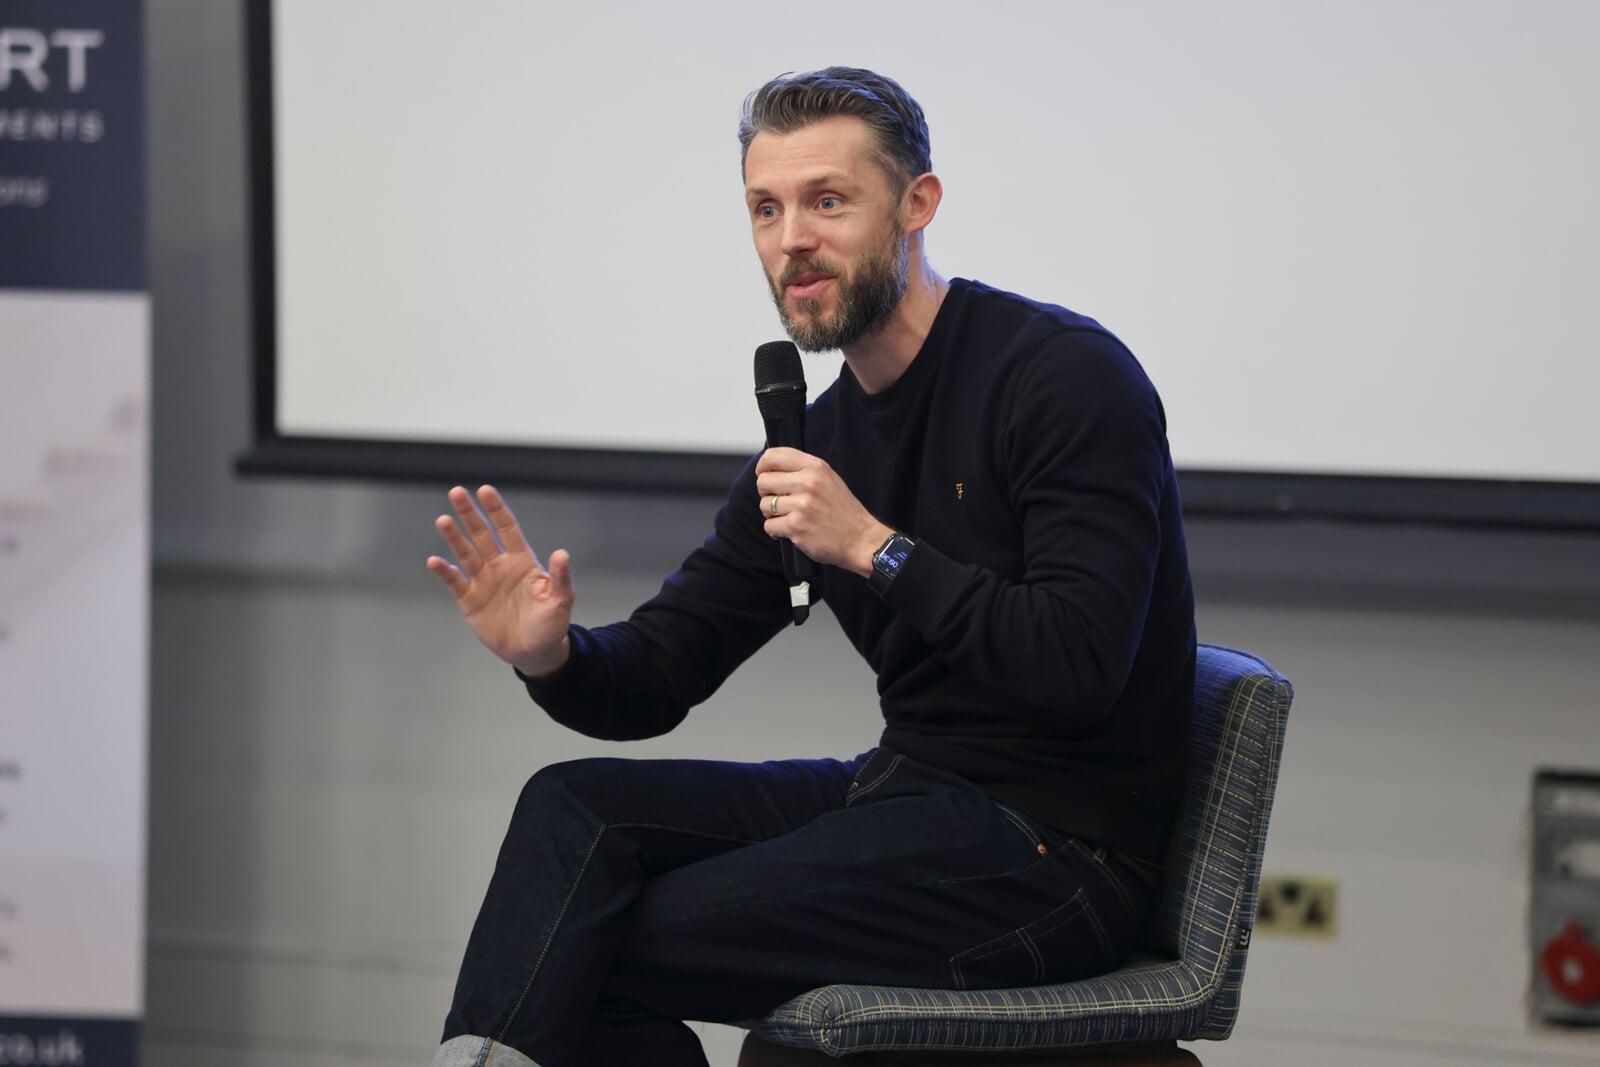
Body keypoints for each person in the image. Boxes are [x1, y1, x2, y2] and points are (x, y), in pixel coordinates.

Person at [426, 66, 1195, 1067]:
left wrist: (873, 547)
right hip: (908, 791)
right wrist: (550, 655)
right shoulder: (819, 438)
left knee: (585, 942)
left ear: (916, 204)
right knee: (572, 810)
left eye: (827, 201)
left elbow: (1079, 660)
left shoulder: (1062, 376)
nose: (791, 239)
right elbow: (659, 670)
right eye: (765, 208)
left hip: (1061, 853)